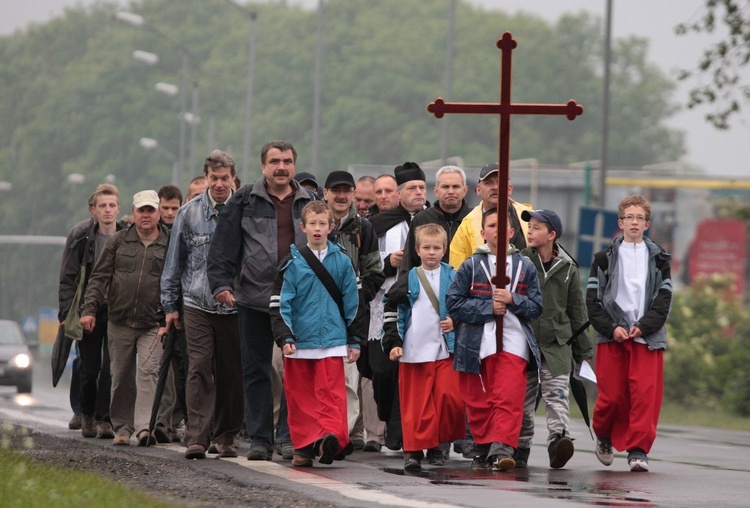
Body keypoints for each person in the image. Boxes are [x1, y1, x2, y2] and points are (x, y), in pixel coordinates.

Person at [208, 140, 314, 461]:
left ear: (294, 164)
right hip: (254, 297)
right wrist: (221, 285)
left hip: (297, 302)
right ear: (263, 166)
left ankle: (288, 437)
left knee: (295, 372)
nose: (281, 167)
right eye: (274, 161)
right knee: (255, 370)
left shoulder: (310, 202)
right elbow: (223, 246)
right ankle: (260, 439)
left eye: (287, 161)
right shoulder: (243, 200)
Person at [161, 150, 244, 460]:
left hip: (236, 304)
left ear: (233, 178)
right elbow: (174, 263)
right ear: (206, 178)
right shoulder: (189, 213)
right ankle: (196, 435)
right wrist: (170, 306)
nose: (219, 184)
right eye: (214, 178)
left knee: (231, 372)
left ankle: (226, 437)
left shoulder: (246, 210)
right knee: (198, 368)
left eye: (225, 178)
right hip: (196, 302)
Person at [446, 208, 542, 472]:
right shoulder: (471, 265)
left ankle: (502, 449)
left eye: (503, 227)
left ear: (512, 232)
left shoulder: (525, 266)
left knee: (508, 396)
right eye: (492, 226)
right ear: (483, 232)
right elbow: (454, 304)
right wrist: (489, 308)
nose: (498, 231)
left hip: (513, 342)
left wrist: (513, 300)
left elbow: (536, 307)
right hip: (475, 344)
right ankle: (482, 447)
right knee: (478, 399)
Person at [270, 201, 362, 467]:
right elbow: (279, 303)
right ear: (303, 227)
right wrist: (285, 336)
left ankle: (327, 439)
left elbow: (355, 302)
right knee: (300, 398)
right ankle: (303, 448)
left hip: (333, 341)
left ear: (331, 227)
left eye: (323, 224)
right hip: (299, 342)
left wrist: (354, 339)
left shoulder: (344, 261)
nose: (318, 229)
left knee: (332, 395)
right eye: (313, 223)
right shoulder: (292, 263)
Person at [587, 194, 672, 473]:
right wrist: (613, 328)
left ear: (647, 224)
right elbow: (593, 301)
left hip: (646, 337)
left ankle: (638, 451)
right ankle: (603, 434)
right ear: (620, 221)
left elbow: (663, 300)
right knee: (611, 397)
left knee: (644, 397)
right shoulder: (603, 259)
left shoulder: (660, 259)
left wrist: (644, 326)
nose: (634, 222)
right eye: (629, 217)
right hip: (613, 336)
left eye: (640, 218)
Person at [80, 190, 169, 446]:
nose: (146, 215)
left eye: (151, 210)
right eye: (141, 210)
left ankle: (144, 428)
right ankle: (122, 427)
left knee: (148, 372)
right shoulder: (118, 242)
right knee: (120, 376)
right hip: (119, 321)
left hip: (153, 323)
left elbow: (176, 280)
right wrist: (88, 309)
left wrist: (174, 313)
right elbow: (99, 278)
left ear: (158, 213)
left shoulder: (170, 243)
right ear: (134, 212)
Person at [382, 224, 464, 471]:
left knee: (450, 399)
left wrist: (455, 320)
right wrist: (393, 343)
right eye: (426, 247)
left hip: (444, 349)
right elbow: (390, 307)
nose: (431, 252)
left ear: (444, 249)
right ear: (417, 250)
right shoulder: (409, 277)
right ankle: (413, 451)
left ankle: (438, 445)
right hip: (414, 349)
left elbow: (464, 306)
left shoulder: (454, 276)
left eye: (436, 248)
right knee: (416, 405)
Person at [516, 209, 594, 469]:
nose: (530, 231)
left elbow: (576, 310)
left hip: (557, 344)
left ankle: (558, 441)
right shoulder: (519, 261)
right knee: (523, 404)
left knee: (558, 395)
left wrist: (584, 352)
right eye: (529, 227)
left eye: (537, 227)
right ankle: (520, 446)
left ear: (552, 235)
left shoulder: (569, 267)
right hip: (524, 343)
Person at [323, 170, 385, 452]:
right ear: (325, 193)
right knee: (320, 376)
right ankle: (320, 431)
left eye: (346, 190)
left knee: (350, 380)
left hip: (351, 317)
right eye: (336, 190)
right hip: (316, 315)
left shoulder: (363, 228)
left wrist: (357, 301)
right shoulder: (315, 223)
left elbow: (375, 272)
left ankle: (341, 437)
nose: (341, 195)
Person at [369, 162, 427, 450]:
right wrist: (387, 261)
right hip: (385, 302)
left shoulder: (432, 219)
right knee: (382, 371)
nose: (418, 192)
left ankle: (401, 433)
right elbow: (365, 261)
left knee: (413, 371)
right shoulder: (381, 223)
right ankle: (388, 418)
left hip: (422, 307)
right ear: (400, 194)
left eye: (422, 187)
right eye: (412, 188)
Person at [59, 184, 122, 439]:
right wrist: (65, 313)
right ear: (93, 210)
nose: (107, 210)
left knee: (112, 367)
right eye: (102, 206)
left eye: (111, 205)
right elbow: (68, 277)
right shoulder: (83, 238)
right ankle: (86, 414)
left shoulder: (127, 236)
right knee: (89, 367)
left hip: (118, 309)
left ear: (118, 208)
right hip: (89, 309)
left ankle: (104, 418)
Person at [450, 163, 532, 269]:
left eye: (500, 182)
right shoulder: (467, 225)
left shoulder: (528, 217)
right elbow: (457, 272)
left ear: (510, 189)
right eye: (488, 183)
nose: (495, 187)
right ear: (478, 190)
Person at [155, 183, 186, 443]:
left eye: (174, 208)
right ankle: (162, 422)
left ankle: (174, 420)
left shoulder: (183, 231)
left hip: (183, 309)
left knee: (182, 370)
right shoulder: (153, 234)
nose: (169, 213)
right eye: (164, 207)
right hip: (158, 311)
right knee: (164, 371)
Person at [402, 165, 471, 271]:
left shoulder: (475, 218)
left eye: (456, 186)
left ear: (465, 190)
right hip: (429, 285)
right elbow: (409, 262)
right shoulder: (421, 219)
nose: (451, 191)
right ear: (436, 191)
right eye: (445, 187)